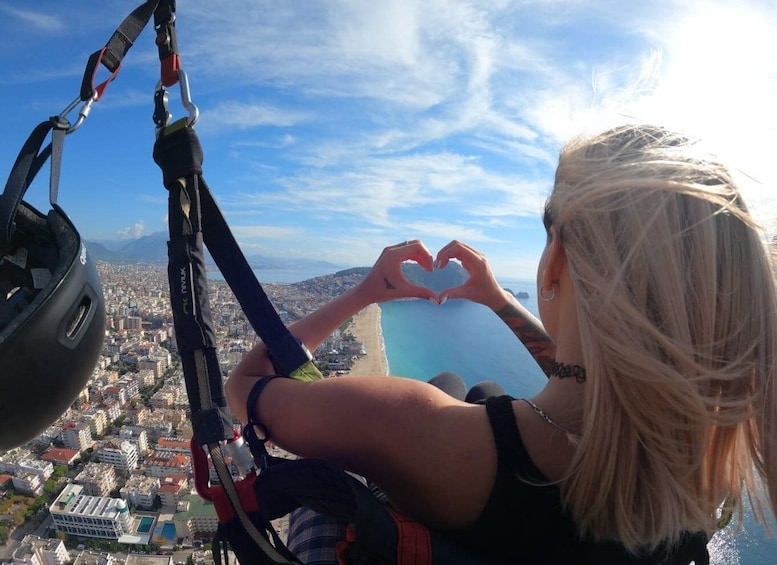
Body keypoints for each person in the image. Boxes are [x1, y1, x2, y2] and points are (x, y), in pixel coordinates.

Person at [225, 124, 777, 563]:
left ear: (556, 259)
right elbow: (587, 374)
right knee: (486, 390)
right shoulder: (703, 473)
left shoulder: (424, 430)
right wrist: (498, 299)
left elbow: (245, 386)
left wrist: (366, 293)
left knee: (449, 386)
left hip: (449, 479)